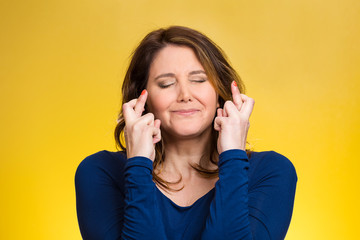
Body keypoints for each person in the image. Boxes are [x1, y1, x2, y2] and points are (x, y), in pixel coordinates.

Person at [75, 26, 297, 240]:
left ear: (220, 91)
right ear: (143, 99)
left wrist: (233, 157)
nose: (185, 95)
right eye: (166, 84)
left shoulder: (271, 171)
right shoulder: (100, 172)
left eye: (199, 80)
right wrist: (139, 165)